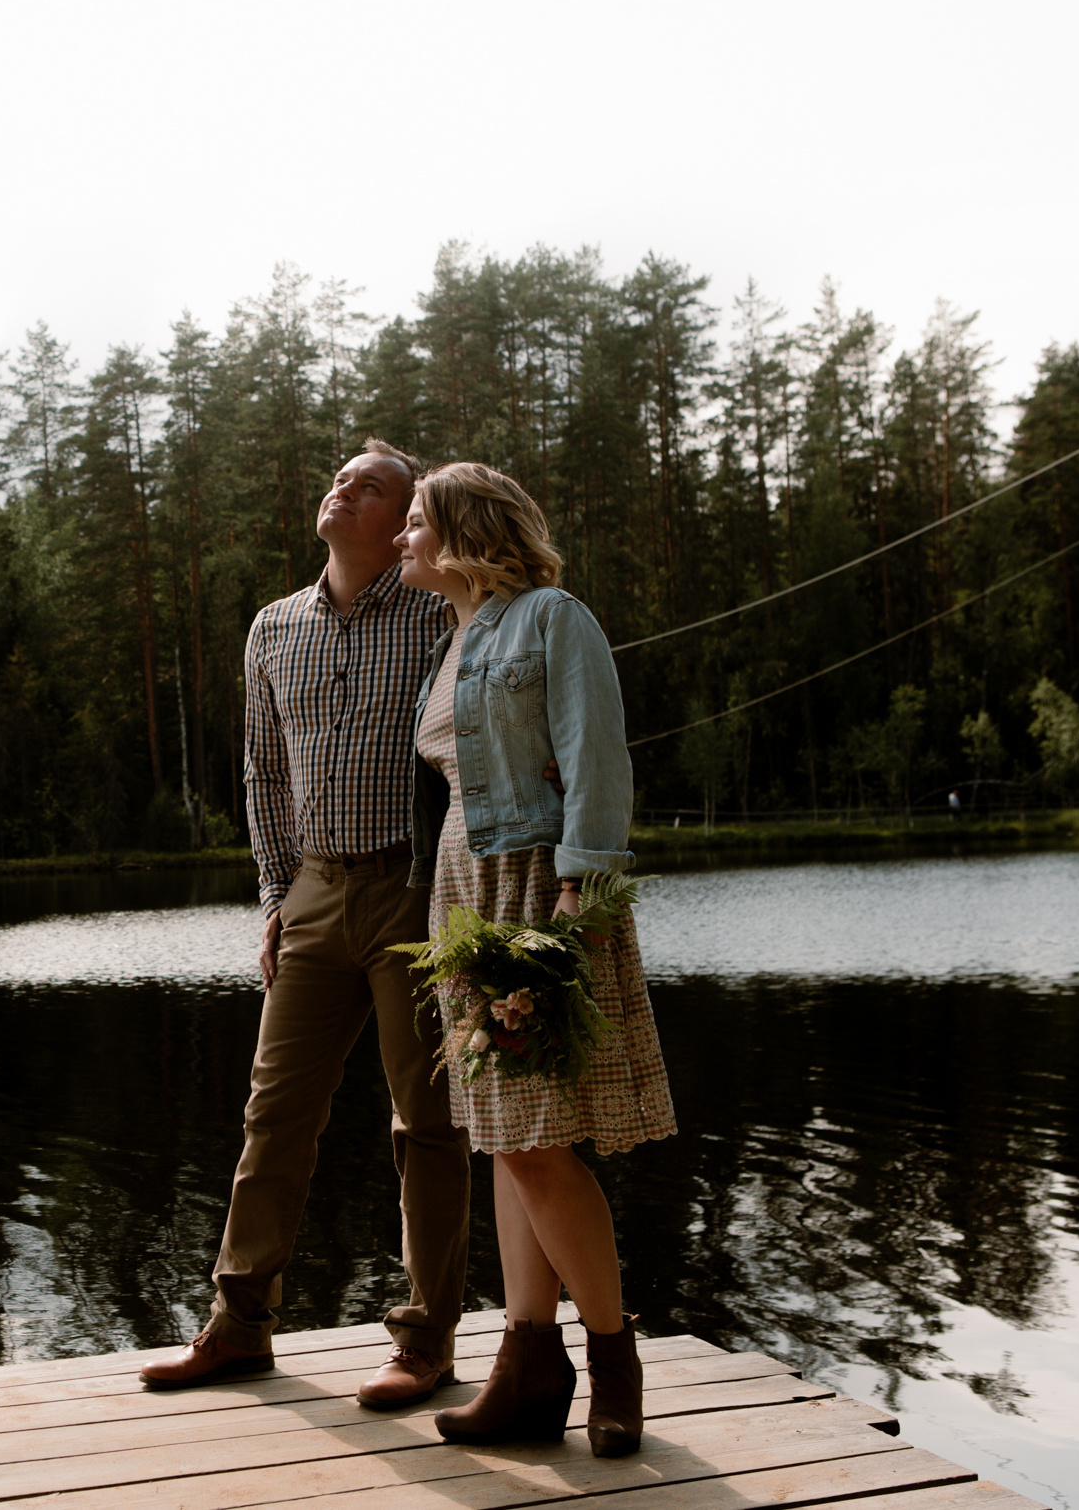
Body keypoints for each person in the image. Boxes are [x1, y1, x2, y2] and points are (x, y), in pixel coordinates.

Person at [139, 440, 472, 1410]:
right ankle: (239, 1324)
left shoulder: (434, 616)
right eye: (338, 476)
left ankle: (427, 1339)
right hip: (315, 891)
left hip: (413, 892)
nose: (341, 488)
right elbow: (262, 773)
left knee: (429, 1121)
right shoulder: (273, 627)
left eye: (367, 485)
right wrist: (276, 895)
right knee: (273, 1109)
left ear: (403, 519)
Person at [391, 462, 676, 1457]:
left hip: (537, 888)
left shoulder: (554, 617)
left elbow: (598, 756)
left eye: (416, 521)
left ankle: (612, 1358)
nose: (400, 539)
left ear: (466, 528)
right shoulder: (450, 640)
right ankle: (528, 1363)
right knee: (507, 1137)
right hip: (467, 892)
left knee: (540, 1141)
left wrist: (577, 899)